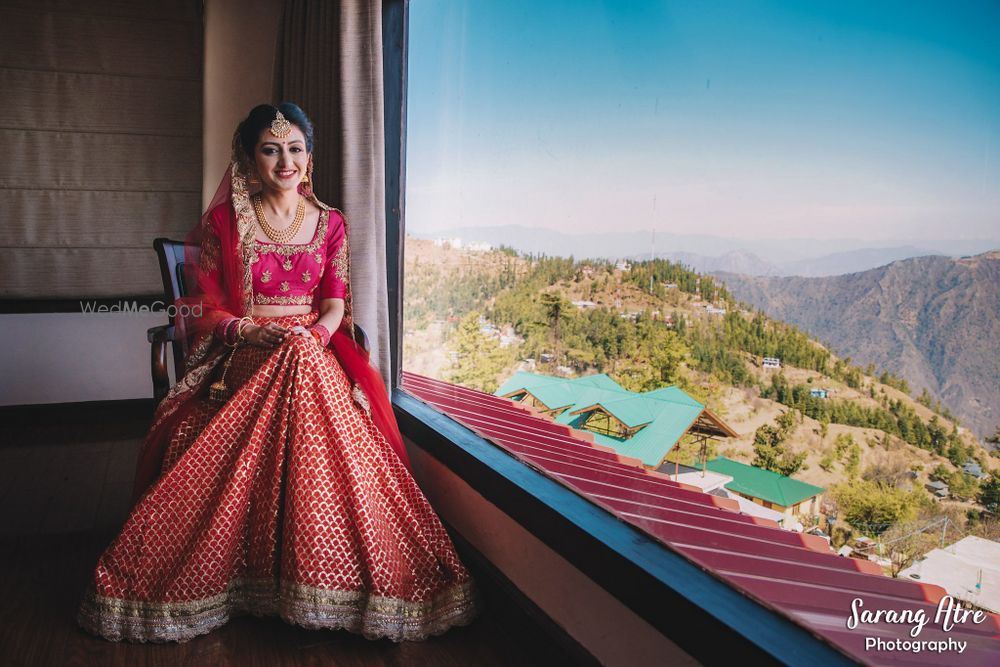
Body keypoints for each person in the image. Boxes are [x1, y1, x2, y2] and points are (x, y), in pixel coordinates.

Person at [77, 103, 479, 643]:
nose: (285, 160)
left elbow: (334, 304)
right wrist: (250, 332)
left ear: (309, 158)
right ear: (249, 158)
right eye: (270, 149)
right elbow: (204, 308)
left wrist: (311, 335)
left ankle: (326, 579)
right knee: (297, 359)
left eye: (295, 149)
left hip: (313, 350)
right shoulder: (227, 223)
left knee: (303, 357)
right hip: (243, 353)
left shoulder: (332, 222)